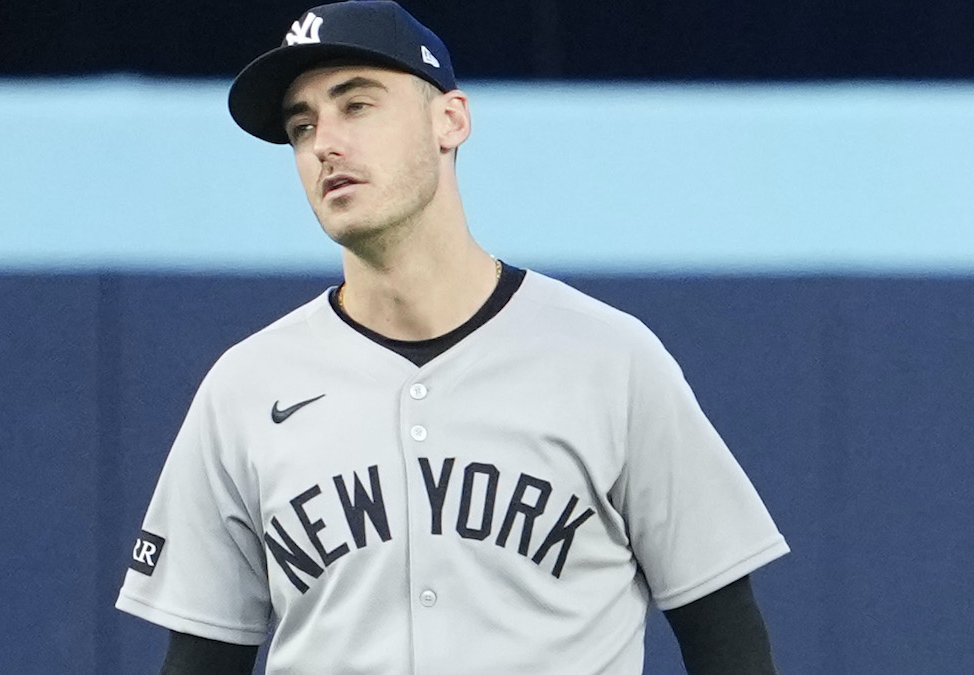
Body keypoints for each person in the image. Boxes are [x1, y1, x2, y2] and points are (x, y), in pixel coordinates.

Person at [116, 2, 790, 673]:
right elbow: (200, 658)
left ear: (451, 120)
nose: (324, 143)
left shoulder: (612, 359)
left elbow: (726, 636)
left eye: (357, 105)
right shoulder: (245, 388)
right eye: (302, 125)